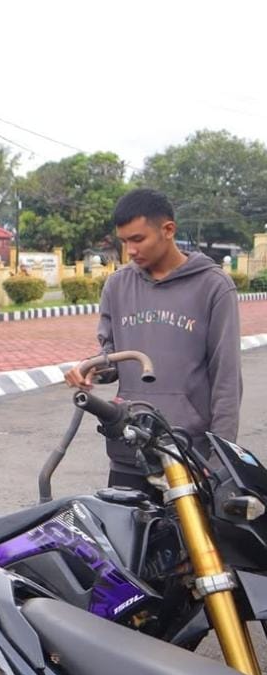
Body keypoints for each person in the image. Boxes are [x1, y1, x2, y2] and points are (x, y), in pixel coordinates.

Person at [64, 188, 242, 493]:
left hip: (188, 454)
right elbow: (111, 356)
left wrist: (219, 461)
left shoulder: (213, 286)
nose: (130, 250)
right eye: (124, 241)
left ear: (168, 230)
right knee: (125, 539)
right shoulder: (118, 286)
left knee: (193, 542)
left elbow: (226, 379)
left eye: (138, 239)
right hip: (129, 449)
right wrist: (91, 368)